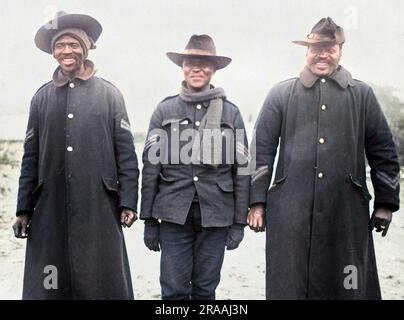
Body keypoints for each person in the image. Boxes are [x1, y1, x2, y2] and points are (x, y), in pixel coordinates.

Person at [248, 17, 400, 300]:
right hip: (290, 211)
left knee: (349, 283)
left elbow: (383, 152)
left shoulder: (362, 94)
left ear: (340, 50)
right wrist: (257, 202)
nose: (322, 54)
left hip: (346, 212)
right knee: (290, 286)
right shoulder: (282, 93)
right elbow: (261, 149)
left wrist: (385, 203)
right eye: (316, 47)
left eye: (330, 48)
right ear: (306, 51)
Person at [12, 12, 139, 299]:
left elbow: (127, 155)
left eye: (73, 44)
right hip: (49, 209)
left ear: (85, 47)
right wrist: (23, 209)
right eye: (60, 46)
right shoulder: (41, 97)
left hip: (99, 207)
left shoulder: (110, 94)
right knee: (50, 282)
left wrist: (128, 201)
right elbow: (30, 157)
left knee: (99, 281)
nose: (66, 52)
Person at [140, 34, 250, 300]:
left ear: (214, 69)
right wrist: (149, 220)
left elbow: (243, 170)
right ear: (183, 67)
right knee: (174, 290)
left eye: (205, 64)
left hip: (216, 214)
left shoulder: (231, 113)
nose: (198, 69)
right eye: (191, 63)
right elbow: (151, 167)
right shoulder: (164, 110)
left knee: (205, 289)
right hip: (173, 214)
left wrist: (238, 223)